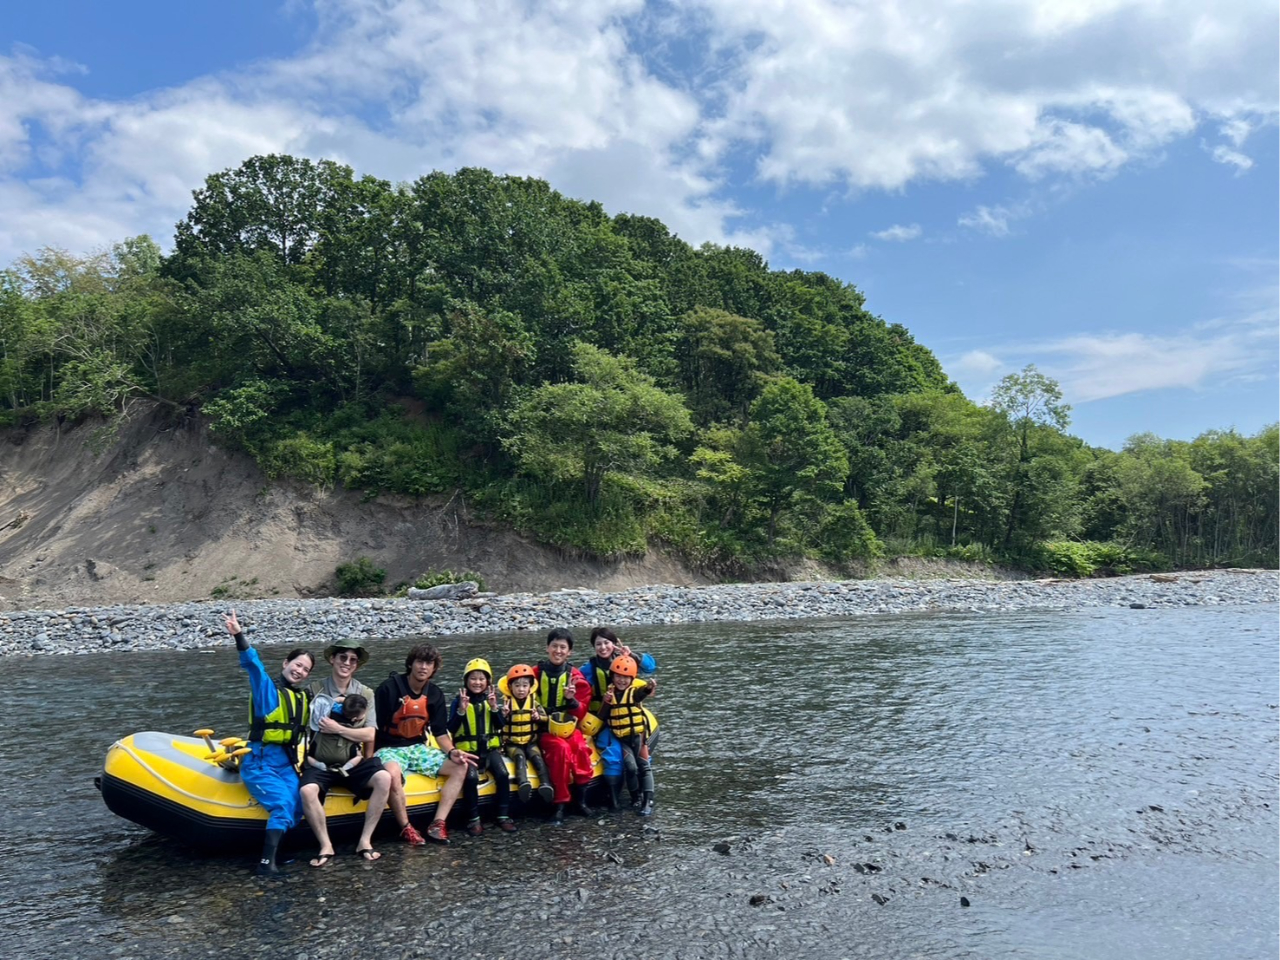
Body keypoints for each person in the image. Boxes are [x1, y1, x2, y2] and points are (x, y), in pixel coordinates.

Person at [223, 609, 313, 876]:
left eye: (305, 669)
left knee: (297, 804)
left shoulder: (301, 698)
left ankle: (279, 852)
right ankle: (265, 863)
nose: (299, 671)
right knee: (283, 804)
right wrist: (239, 635)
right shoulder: (267, 690)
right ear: (286, 663)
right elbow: (253, 665)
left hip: (284, 762)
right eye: (297, 664)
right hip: (259, 762)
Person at [300, 636, 394, 866]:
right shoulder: (313, 690)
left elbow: (369, 735)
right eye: (343, 657)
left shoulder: (366, 693)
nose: (347, 662)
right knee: (307, 792)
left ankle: (365, 840)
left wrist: (336, 728)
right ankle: (326, 845)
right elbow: (302, 728)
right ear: (332, 659)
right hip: (319, 762)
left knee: (383, 777)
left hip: (353, 761)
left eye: (353, 659)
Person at [373, 642, 476, 844]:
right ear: (411, 664)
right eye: (420, 662)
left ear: (434, 668)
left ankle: (438, 823)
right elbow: (372, 727)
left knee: (460, 766)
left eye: (429, 663)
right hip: (389, 747)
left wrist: (452, 751)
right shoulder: (388, 689)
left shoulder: (435, 694)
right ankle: (406, 827)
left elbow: (439, 733)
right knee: (392, 773)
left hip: (417, 747)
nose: (423, 667)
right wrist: (368, 758)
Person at [581, 627, 658, 810]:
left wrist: (633, 655)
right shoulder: (589, 669)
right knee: (616, 757)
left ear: (614, 644)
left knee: (641, 761)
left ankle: (644, 795)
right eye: (598, 644)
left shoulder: (625, 661)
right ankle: (618, 796)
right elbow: (578, 682)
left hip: (631, 721)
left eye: (606, 642)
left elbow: (651, 667)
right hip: (605, 720)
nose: (603, 647)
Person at [533, 628, 596, 822]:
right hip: (545, 729)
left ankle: (581, 801)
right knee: (560, 750)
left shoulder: (575, 677)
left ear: (569, 652)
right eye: (554, 646)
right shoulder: (535, 673)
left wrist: (571, 700)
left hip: (569, 728)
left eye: (563, 647)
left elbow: (581, 711)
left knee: (579, 748)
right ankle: (560, 803)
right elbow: (520, 695)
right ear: (547, 648)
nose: (558, 651)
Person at [448, 658, 516, 835]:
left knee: (503, 774)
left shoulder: (490, 701)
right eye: (473, 678)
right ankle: (473, 819)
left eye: (481, 679)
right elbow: (452, 728)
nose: (477, 682)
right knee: (470, 778)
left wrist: (495, 709)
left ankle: (503, 815)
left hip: (489, 749)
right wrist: (461, 710)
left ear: (487, 682)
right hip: (468, 751)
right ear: (466, 681)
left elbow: (500, 725)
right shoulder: (458, 702)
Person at [598, 654, 657, 816]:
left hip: (638, 737)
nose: (621, 680)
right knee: (630, 767)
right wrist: (606, 702)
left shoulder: (634, 692)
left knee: (644, 766)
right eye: (618, 676)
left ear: (631, 679)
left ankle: (648, 800)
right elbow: (602, 715)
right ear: (612, 677)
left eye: (625, 677)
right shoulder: (609, 694)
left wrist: (649, 688)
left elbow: (642, 692)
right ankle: (635, 797)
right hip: (622, 739)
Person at [500, 663, 555, 805]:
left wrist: (538, 717)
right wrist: (503, 715)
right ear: (510, 687)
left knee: (537, 758)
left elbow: (545, 718)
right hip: (512, 743)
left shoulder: (535, 704)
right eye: (517, 686)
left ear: (530, 687)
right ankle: (523, 783)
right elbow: (497, 723)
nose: (521, 689)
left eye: (524, 685)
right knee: (519, 757)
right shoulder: (506, 704)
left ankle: (545, 784)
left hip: (530, 741)